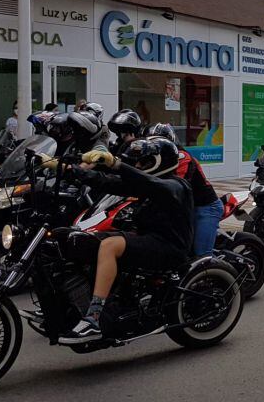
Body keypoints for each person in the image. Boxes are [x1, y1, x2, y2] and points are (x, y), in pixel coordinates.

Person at [59, 137, 193, 343]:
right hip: (148, 239)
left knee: (109, 246)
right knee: (83, 240)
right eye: (137, 162)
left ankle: (93, 318)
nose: (138, 166)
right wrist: (69, 169)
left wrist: (116, 164)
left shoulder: (176, 185)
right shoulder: (148, 186)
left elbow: (151, 183)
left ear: (160, 161)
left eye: (143, 162)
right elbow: (106, 181)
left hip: (169, 247)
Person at [144, 123, 220, 256]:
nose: (156, 145)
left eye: (160, 141)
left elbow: (174, 185)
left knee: (201, 254)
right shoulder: (155, 159)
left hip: (205, 207)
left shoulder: (181, 157)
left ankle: (219, 274)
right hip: (185, 208)